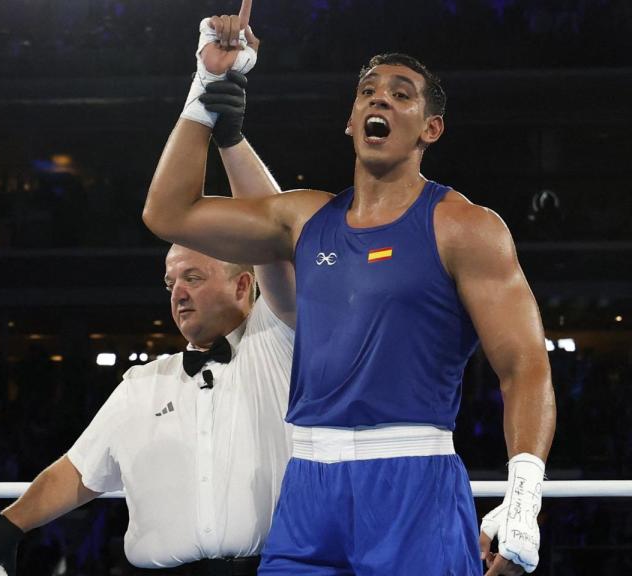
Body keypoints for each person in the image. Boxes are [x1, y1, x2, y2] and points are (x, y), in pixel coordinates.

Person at [141, 9, 556, 576]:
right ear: (351, 120)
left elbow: (525, 365)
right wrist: (206, 87)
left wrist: (524, 498)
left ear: (429, 129)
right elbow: (168, 213)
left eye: (400, 94)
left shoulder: (465, 227)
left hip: (412, 482)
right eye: (368, 92)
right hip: (309, 485)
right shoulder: (306, 217)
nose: (379, 100)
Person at [0, 24, 295, 576]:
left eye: (192, 275)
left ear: (243, 286)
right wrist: (10, 525)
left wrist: (231, 137)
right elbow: (77, 472)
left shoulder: (279, 343)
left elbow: (279, 235)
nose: (179, 294)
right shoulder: (142, 386)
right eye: (170, 284)